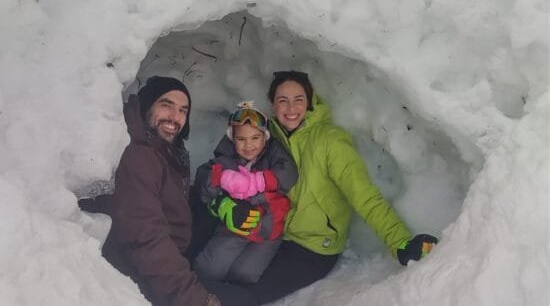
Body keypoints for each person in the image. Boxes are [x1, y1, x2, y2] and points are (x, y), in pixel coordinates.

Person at [243, 70, 438, 304]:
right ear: (273, 105)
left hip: (312, 248)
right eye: (283, 100)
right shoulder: (266, 139)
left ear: (310, 101)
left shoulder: (330, 140)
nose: (291, 108)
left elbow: (364, 195)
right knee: (225, 274)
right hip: (273, 234)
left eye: (299, 99)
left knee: (249, 293)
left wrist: (400, 242)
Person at [79, 76, 258, 306]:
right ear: (147, 105)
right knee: (245, 300)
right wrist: (195, 299)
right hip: (142, 274)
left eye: (183, 110)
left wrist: (220, 204)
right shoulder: (137, 157)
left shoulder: (163, 147)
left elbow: (175, 197)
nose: (175, 117)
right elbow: (146, 241)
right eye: (166, 105)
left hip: (172, 250)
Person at [193, 101, 298, 284]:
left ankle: (232, 294)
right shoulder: (227, 161)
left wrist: (259, 181)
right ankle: (194, 290)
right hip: (234, 228)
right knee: (210, 268)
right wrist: (221, 187)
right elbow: (203, 177)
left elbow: (289, 174)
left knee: (244, 274)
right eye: (241, 139)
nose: (248, 145)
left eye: (255, 138)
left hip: (267, 232)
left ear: (265, 138)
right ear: (232, 140)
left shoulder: (273, 158)